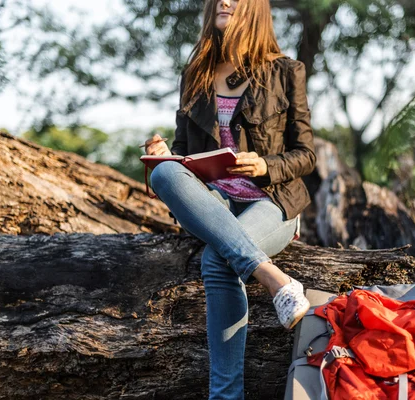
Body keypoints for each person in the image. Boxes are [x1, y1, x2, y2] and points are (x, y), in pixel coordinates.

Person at [144, 0, 316, 398]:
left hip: (271, 201)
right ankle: (275, 279)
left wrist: (264, 166)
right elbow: (185, 153)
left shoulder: (286, 71)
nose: (224, 0)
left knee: (216, 260)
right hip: (215, 200)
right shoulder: (196, 75)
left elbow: (306, 155)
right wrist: (162, 153)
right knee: (167, 172)